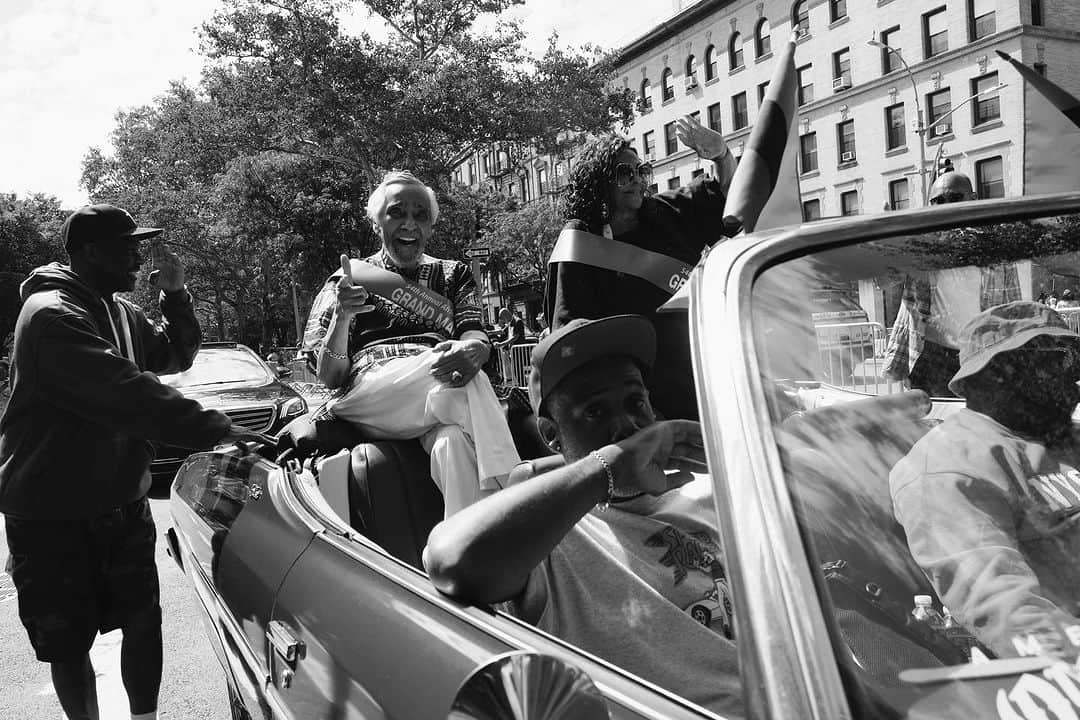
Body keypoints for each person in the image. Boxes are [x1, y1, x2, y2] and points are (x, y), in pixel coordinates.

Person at [0, 204, 262, 720]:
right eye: (128, 246)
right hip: (53, 510)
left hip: (121, 498)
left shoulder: (119, 310)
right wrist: (212, 427)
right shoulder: (51, 314)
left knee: (144, 620)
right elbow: (122, 389)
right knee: (68, 641)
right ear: (89, 253)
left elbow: (175, 357)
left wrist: (176, 294)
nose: (139, 256)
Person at [424, 315, 743, 717]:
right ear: (551, 435)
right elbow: (452, 559)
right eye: (594, 413)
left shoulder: (708, 497)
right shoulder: (549, 533)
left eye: (636, 403)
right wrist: (611, 466)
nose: (626, 425)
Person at [302, 171, 520, 517]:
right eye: (397, 213)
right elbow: (328, 377)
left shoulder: (454, 274)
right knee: (467, 381)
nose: (409, 223)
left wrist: (476, 348)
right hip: (370, 397)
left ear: (431, 227)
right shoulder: (349, 279)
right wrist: (343, 314)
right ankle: (521, 495)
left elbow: (471, 329)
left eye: (420, 215)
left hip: (439, 396)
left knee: (453, 444)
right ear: (376, 223)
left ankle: (465, 559)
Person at [891, 301, 1080, 657]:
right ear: (996, 374)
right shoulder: (948, 468)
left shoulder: (1063, 436)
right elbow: (1007, 609)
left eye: (1073, 358)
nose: (1072, 375)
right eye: (1057, 359)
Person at [544, 115, 737, 421]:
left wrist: (721, 155)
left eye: (641, 171)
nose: (636, 179)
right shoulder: (581, 237)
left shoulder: (665, 214)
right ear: (599, 181)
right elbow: (570, 331)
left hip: (694, 380)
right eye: (624, 173)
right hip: (626, 399)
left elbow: (728, 196)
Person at [883, 167, 1014, 396]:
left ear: (973, 199)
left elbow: (1011, 304)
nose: (946, 205)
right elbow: (885, 280)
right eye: (938, 200)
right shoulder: (919, 245)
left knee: (977, 425)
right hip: (929, 355)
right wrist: (886, 237)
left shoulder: (995, 246)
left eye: (955, 198)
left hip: (980, 353)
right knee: (933, 425)